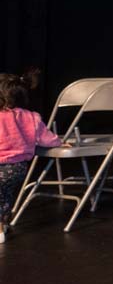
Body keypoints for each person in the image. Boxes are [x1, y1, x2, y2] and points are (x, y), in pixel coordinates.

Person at [0, 70, 66, 243]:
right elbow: (45, 138)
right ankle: (2, 225)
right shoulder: (31, 117)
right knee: (4, 195)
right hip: (17, 169)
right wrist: (59, 142)